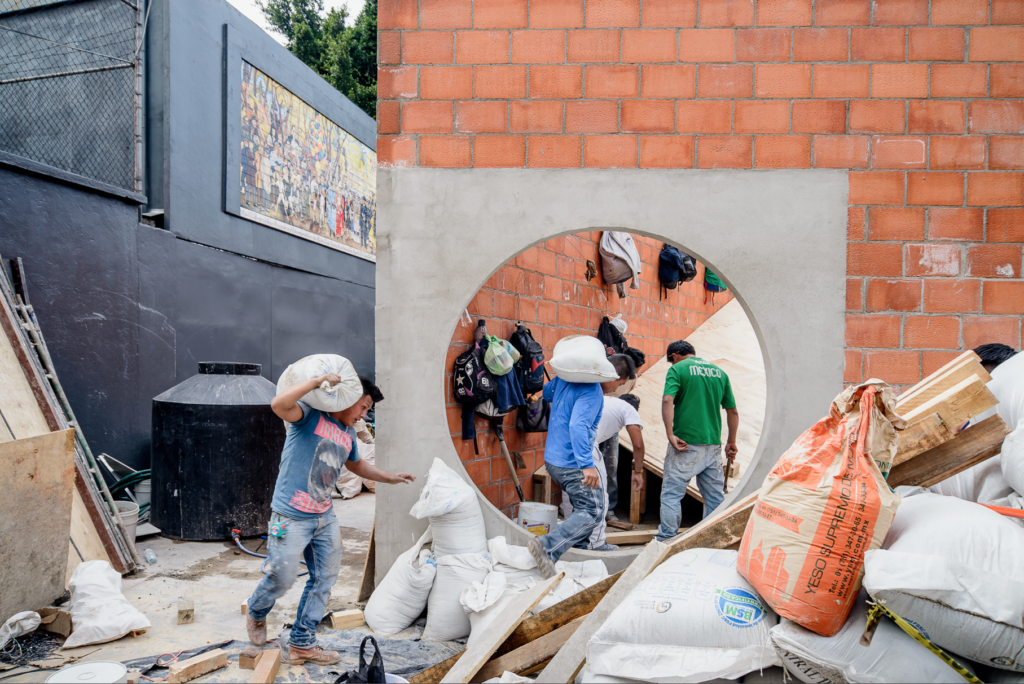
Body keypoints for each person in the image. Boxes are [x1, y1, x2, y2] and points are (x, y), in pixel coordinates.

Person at [246, 373, 416, 665]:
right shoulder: (308, 416)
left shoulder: (348, 433)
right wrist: (315, 383)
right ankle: (257, 610)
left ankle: (301, 642)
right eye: (363, 407)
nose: (365, 413)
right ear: (348, 397)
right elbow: (278, 404)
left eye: (367, 409)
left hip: (324, 516)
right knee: (282, 576)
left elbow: (357, 464)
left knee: (324, 578)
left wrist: (388, 477)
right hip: (290, 515)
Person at [528, 354, 636, 576]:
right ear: (612, 374)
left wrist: (562, 379)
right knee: (593, 511)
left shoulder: (567, 381)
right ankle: (546, 547)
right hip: (572, 462)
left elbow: (547, 393)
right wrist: (587, 465)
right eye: (620, 382)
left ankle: (576, 556)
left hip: (553, 461)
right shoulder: (593, 391)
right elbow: (578, 427)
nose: (617, 388)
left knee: (583, 509)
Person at [655, 341, 738, 543]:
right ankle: (713, 539)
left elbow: (667, 400)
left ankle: (666, 538)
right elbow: (732, 411)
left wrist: (669, 434)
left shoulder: (678, 369)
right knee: (714, 496)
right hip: (712, 445)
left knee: (672, 495)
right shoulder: (720, 373)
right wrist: (731, 442)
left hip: (685, 444)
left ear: (674, 356)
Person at [561, 393, 645, 551]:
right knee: (600, 497)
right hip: (586, 447)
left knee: (570, 492)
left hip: (564, 444)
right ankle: (595, 543)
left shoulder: (604, 400)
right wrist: (638, 471)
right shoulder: (628, 410)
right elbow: (638, 445)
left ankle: (570, 539)